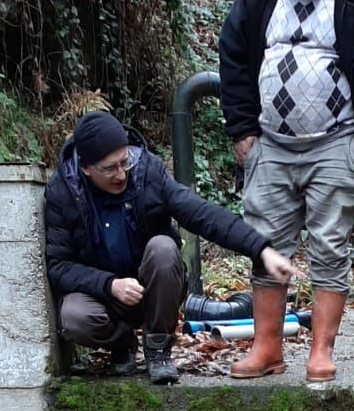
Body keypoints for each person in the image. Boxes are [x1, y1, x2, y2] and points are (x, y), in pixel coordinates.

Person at [218, 0, 354, 385]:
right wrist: (241, 129)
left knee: (329, 243)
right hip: (271, 143)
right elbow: (233, 52)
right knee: (264, 243)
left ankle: (321, 352)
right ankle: (266, 347)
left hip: (338, 141)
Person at [44, 110, 296, 384]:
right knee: (73, 316)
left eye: (124, 162)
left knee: (163, 248)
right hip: (104, 297)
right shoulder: (63, 192)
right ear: (86, 168)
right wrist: (109, 285)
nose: (120, 175)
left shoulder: (146, 173)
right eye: (109, 169)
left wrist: (260, 249)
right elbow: (59, 266)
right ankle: (121, 344)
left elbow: (201, 214)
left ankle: (158, 349)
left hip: (154, 289)